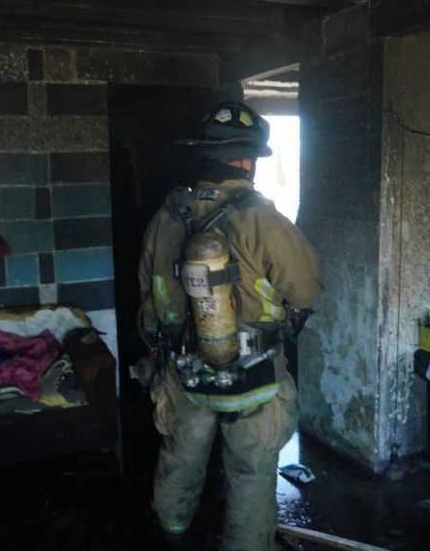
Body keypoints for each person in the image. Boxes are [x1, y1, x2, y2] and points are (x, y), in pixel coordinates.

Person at [136, 102, 322, 551]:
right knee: (251, 475)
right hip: (254, 377)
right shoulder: (265, 220)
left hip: (183, 372)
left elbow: (147, 297)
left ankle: (171, 534)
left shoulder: (165, 219)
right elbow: (307, 290)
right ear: (247, 160)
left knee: (180, 462)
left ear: (204, 156)